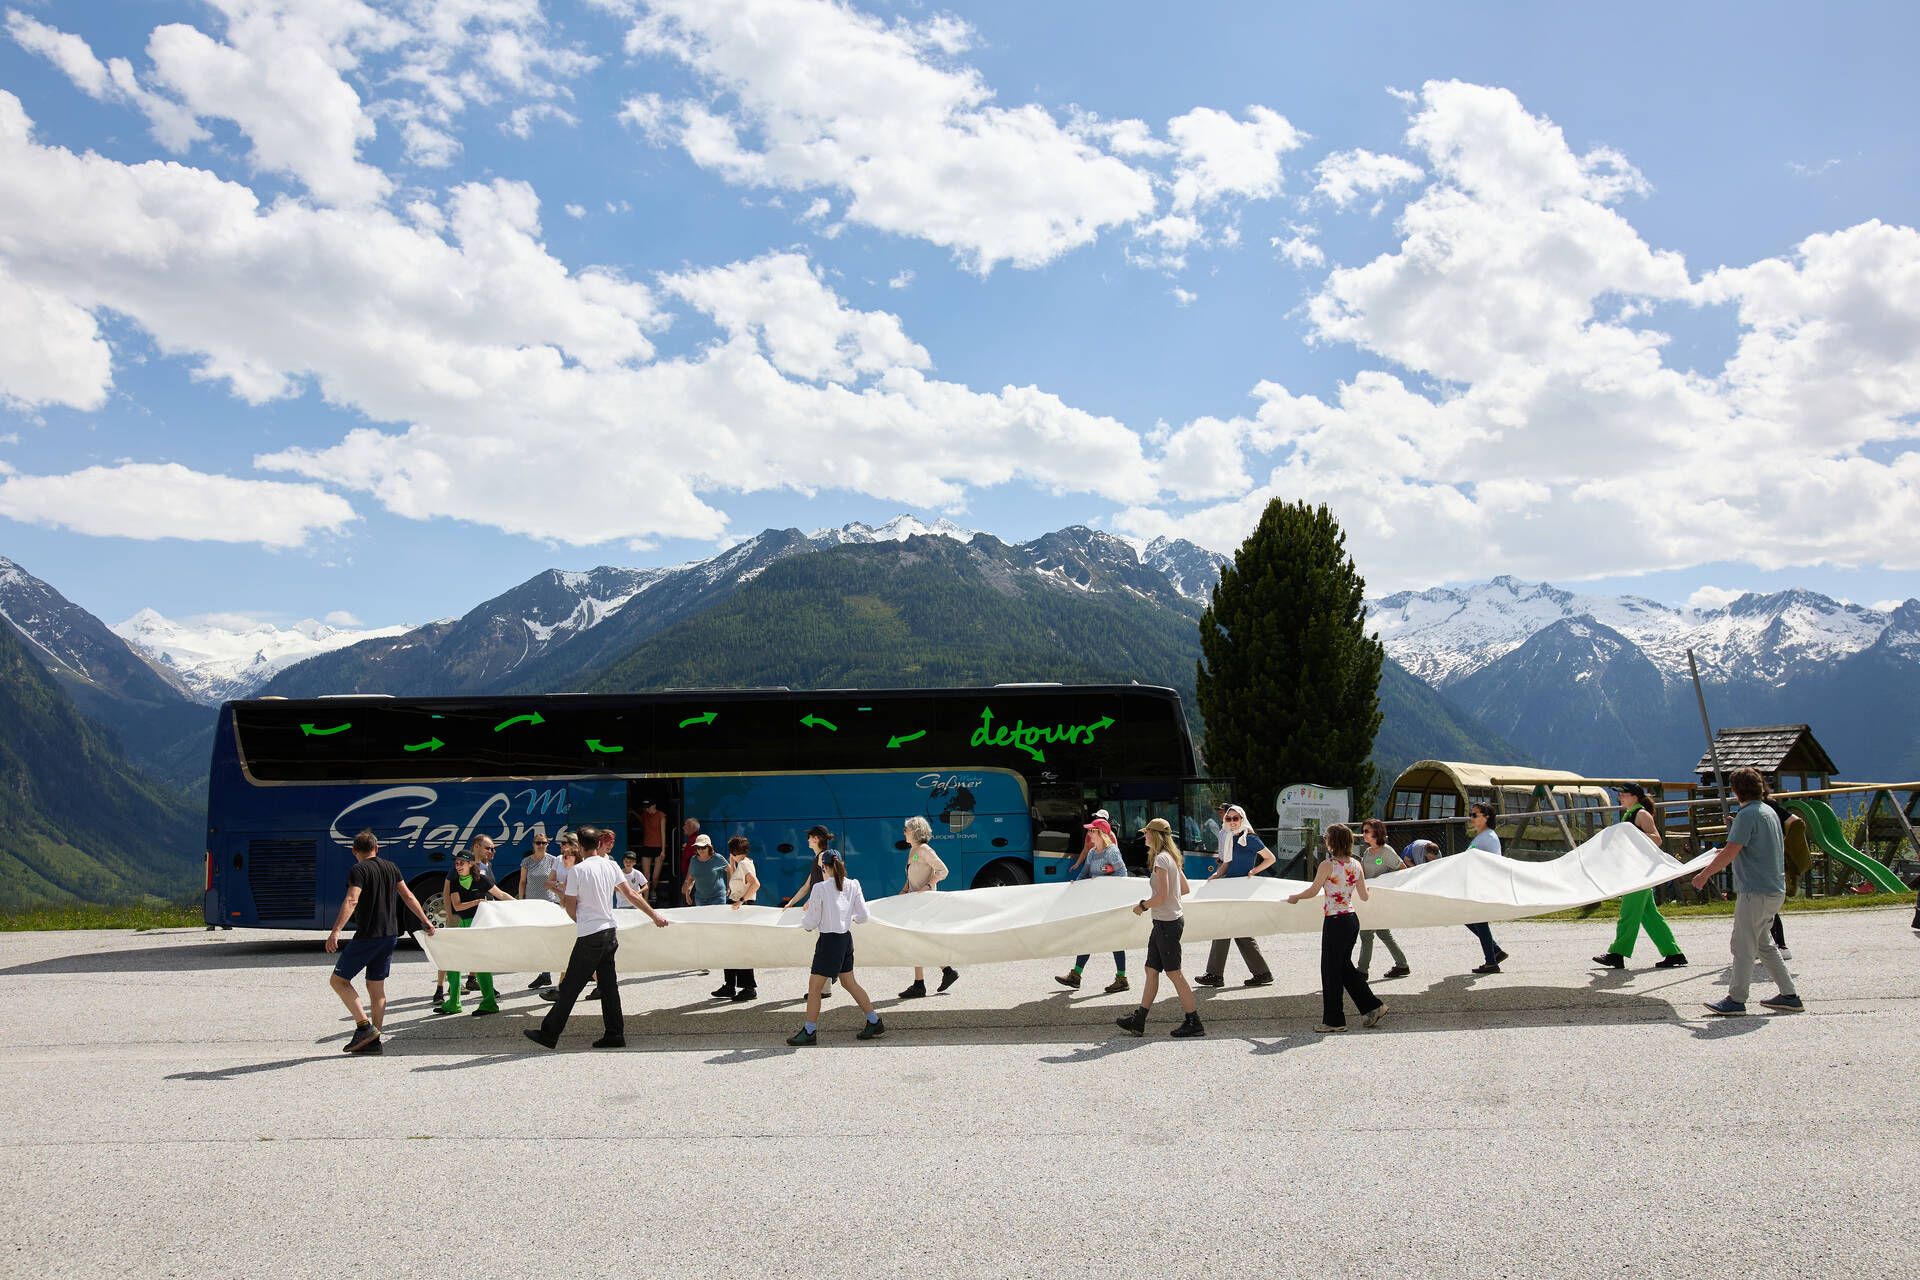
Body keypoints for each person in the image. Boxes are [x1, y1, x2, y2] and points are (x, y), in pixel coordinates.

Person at [524, 826, 669, 1050]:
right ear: (598, 844)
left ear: (580, 847)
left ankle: (548, 1034)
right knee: (609, 987)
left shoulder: (577, 871)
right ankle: (614, 1034)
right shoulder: (611, 865)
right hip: (610, 932)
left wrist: (582, 919)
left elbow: (571, 909)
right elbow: (631, 895)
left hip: (590, 935)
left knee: (571, 986)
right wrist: (654, 915)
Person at [1693, 769, 1803, 1015]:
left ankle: (1736, 999)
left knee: (1742, 945)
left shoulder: (1747, 815)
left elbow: (1730, 852)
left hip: (1755, 891)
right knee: (1764, 944)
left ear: (1735, 791)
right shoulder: (1767, 811)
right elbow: (1750, 842)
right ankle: (1789, 995)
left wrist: (1704, 875)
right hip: (1773, 889)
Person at [324, 829, 435, 1054]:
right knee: (376, 987)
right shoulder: (391, 867)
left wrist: (336, 931)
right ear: (376, 848)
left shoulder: (358, 869)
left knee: (339, 981)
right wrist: (425, 920)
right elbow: (409, 896)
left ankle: (364, 1027)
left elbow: (352, 899)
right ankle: (374, 1041)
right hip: (390, 935)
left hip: (368, 935)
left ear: (355, 851)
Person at [1289, 823, 1388, 1032]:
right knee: (1343, 967)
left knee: (1330, 970)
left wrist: (1295, 897)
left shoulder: (1328, 865)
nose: (1325, 840)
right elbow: (1364, 896)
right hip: (1351, 919)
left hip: (1335, 921)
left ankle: (1334, 1020)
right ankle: (1372, 1006)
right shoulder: (1356, 865)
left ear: (1332, 842)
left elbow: (1313, 890)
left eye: (1326, 837)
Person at [787, 835, 884, 1046]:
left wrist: (805, 925)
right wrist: (849, 918)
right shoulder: (853, 885)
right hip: (845, 939)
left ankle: (810, 1031)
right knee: (850, 983)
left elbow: (811, 921)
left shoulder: (820, 888)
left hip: (829, 942)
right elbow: (864, 916)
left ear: (824, 868)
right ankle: (874, 1020)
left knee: (814, 989)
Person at [1114, 818, 1203, 1038]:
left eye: (1146, 833)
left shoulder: (1161, 860)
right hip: (1166, 922)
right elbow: (1184, 888)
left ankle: (1194, 1022)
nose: (1144, 836)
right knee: (1151, 970)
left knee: (1175, 973)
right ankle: (1139, 1020)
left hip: (1167, 925)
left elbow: (1162, 896)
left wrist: (1143, 906)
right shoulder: (1171, 857)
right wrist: (1167, 899)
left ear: (1154, 836)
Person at [1593, 783, 1687, 971]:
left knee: (1628, 913)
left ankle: (1617, 953)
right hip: (1634, 870)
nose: (1620, 798)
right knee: (1649, 916)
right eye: (1619, 795)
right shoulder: (1630, 814)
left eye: (1623, 794)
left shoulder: (1641, 814)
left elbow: (1657, 839)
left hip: (1639, 873)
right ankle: (1673, 953)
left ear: (1635, 797)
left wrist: (1633, 837)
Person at [1195, 803, 1276, 989]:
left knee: (1225, 927)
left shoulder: (1251, 838)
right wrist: (1217, 874)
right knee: (1238, 931)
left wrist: (1254, 871)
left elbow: (1270, 858)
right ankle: (1261, 972)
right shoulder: (1229, 837)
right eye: (1228, 819)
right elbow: (1226, 864)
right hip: (1230, 888)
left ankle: (1216, 974)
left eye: (1235, 818)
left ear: (1242, 819)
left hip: (1242, 890)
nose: (1231, 822)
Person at [439, 840, 513, 1016]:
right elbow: (457, 906)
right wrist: (478, 901)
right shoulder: (456, 881)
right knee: (452, 962)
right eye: (456, 863)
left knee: (480, 963)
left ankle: (489, 1003)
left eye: (461, 863)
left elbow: (501, 894)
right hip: (462, 924)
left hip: (478, 924)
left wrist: (521, 905)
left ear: (471, 864)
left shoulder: (482, 879)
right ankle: (453, 1003)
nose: (457, 866)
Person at [1055, 816, 1129, 993]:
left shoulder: (1111, 852)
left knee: (1114, 940)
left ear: (1100, 834)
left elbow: (1123, 874)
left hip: (1110, 904)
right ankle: (1076, 975)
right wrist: (1077, 885)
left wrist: (1103, 880)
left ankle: (1121, 978)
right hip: (1095, 904)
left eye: (1091, 831)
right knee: (1087, 937)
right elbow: (1084, 874)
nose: (1088, 834)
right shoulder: (1092, 852)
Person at [897, 815, 959, 999]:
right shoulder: (914, 850)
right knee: (918, 941)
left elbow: (943, 871)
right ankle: (944, 972)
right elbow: (912, 876)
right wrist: (904, 890)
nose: (904, 832)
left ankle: (921, 984)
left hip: (924, 903)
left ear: (914, 832)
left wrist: (929, 886)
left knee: (917, 941)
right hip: (914, 902)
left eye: (906, 829)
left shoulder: (924, 849)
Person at [1356, 818, 1411, 981]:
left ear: (1377, 832)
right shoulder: (1367, 852)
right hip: (1368, 898)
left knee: (1366, 933)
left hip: (1379, 899)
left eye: (1367, 831)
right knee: (1383, 933)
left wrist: (1384, 882)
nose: (1364, 834)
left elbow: (1402, 870)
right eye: (1363, 830)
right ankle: (1402, 965)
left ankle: (1362, 971)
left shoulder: (1386, 851)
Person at [1759, 786, 1809, 961]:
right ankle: (1767, 944)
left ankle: (1780, 944)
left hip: (1768, 861)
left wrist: (1787, 848)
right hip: (1768, 859)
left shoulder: (1767, 806)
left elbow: (1797, 823)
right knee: (1762, 904)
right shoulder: (1763, 806)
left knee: (1765, 904)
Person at [1461, 803, 1509, 975]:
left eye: (1475, 815)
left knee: (1478, 920)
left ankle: (1491, 961)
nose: (1471, 818)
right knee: (1468, 918)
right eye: (1471, 814)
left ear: (1486, 816)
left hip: (1483, 885)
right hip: (1476, 885)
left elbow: (1493, 862)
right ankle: (1495, 952)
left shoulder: (1488, 837)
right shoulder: (1481, 837)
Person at [713, 836, 760, 1002]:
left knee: (741, 947)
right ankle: (730, 984)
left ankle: (748, 987)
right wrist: (732, 861)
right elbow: (736, 878)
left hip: (741, 907)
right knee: (731, 946)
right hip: (738, 906)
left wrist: (741, 900)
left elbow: (755, 884)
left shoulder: (745, 865)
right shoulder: (744, 863)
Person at [519, 833, 561, 988]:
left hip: (548, 904)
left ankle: (546, 974)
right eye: (538, 842)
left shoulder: (553, 860)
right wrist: (521, 901)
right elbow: (522, 882)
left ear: (547, 844)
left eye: (543, 843)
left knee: (548, 939)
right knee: (538, 939)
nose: (540, 845)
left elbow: (555, 881)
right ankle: (546, 973)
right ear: (533, 844)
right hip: (532, 905)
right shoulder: (526, 862)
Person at [682, 833, 730, 907]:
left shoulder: (717, 858)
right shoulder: (694, 860)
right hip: (700, 899)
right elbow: (691, 878)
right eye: (698, 847)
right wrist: (687, 894)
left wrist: (729, 887)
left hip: (717, 897)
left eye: (703, 847)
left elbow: (729, 869)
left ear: (709, 847)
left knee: (717, 918)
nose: (700, 850)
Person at [638, 799, 667, 903]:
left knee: (655, 876)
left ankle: (653, 891)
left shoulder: (661, 815)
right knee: (646, 874)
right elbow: (641, 821)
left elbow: (663, 833)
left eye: (649, 807)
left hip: (658, 847)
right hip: (647, 846)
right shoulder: (645, 814)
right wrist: (632, 813)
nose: (647, 809)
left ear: (654, 805)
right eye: (646, 807)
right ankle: (645, 899)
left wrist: (663, 850)